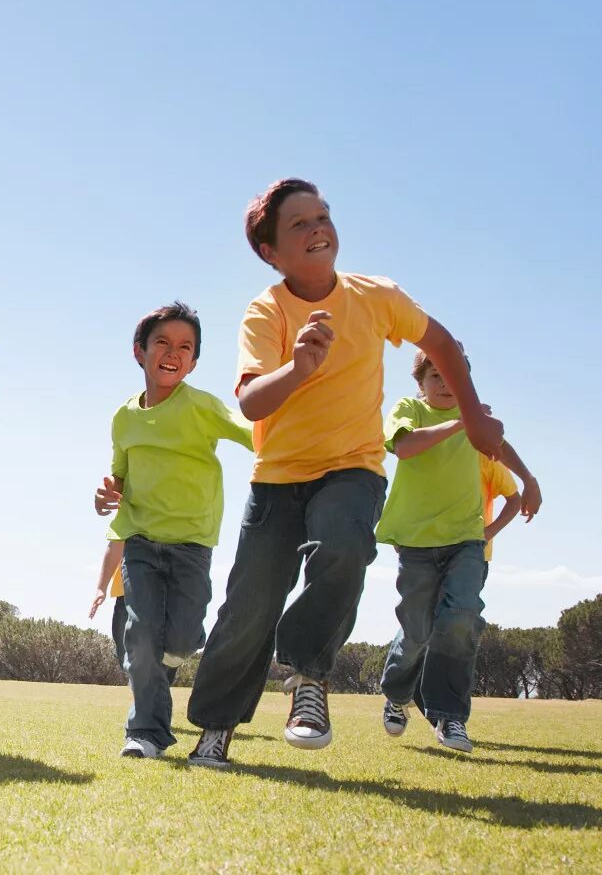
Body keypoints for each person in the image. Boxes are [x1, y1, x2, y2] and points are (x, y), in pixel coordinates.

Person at [185, 178, 525, 767]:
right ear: (270, 251)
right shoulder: (266, 310)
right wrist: (299, 366)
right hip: (278, 477)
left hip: (354, 467)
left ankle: (308, 676)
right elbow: (252, 402)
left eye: (323, 216)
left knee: (344, 546)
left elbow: (441, 342)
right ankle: (216, 728)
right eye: (299, 224)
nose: (318, 227)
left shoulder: (376, 296)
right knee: (249, 606)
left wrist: (471, 414)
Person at [92, 302, 253, 759]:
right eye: (162, 342)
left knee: (180, 642)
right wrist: (108, 494)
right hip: (140, 541)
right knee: (141, 636)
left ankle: (166, 663)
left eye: (185, 347)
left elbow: (253, 434)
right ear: (139, 352)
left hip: (192, 545)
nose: (172, 352)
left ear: (194, 362)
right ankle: (146, 734)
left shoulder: (202, 406)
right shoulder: (124, 418)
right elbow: (117, 476)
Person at [374, 349, 540, 753]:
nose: (446, 384)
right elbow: (406, 447)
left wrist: (529, 479)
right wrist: (460, 422)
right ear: (421, 382)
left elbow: (499, 444)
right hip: (415, 541)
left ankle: (449, 717)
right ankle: (397, 694)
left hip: (466, 539)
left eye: (455, 376)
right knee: (417, 629)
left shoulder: (474, 420)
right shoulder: (409, 408)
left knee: (462, 619)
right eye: (436, 375)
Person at [87, 542, 128, 666]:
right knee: (124, 652)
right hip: (126, 592)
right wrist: (101, 588)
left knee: (172, 649)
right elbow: (117, 542)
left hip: (165, 591)